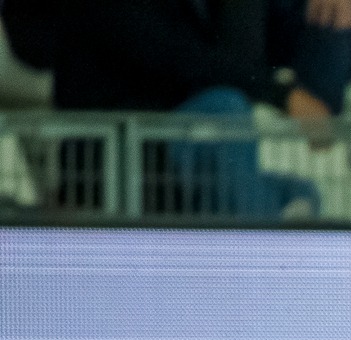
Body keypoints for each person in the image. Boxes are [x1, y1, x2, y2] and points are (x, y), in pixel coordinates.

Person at [24, 0, 316, 216]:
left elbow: (240, 55)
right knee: (223, 109)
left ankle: (241, 249)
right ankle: (239, 261)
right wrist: (281, 95)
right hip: (120, 160)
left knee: (302, 195)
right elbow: (175, 55)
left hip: (176, 156)